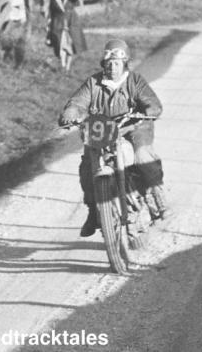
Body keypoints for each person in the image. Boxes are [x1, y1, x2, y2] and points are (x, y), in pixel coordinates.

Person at [58, 38, 167, 237]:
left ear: (125, 63)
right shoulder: (94, 83)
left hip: (133, 125)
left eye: (117, 63)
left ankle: (155, 193)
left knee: (142, 155)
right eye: (109, 63)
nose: (112, 67)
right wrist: (70, 114)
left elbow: (152, 101)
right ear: (104, 64)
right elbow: (77, 102)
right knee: (87, 167)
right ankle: (93, 210)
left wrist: (149, 110)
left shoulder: (135, 81)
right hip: (103, 129)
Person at [46, 0, 87, 71]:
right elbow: (51, 12)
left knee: (70, 47)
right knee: (60, 45)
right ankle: (63, 66)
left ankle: (67, 67)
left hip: (71, 23)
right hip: (58, 24)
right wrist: (48, 26)